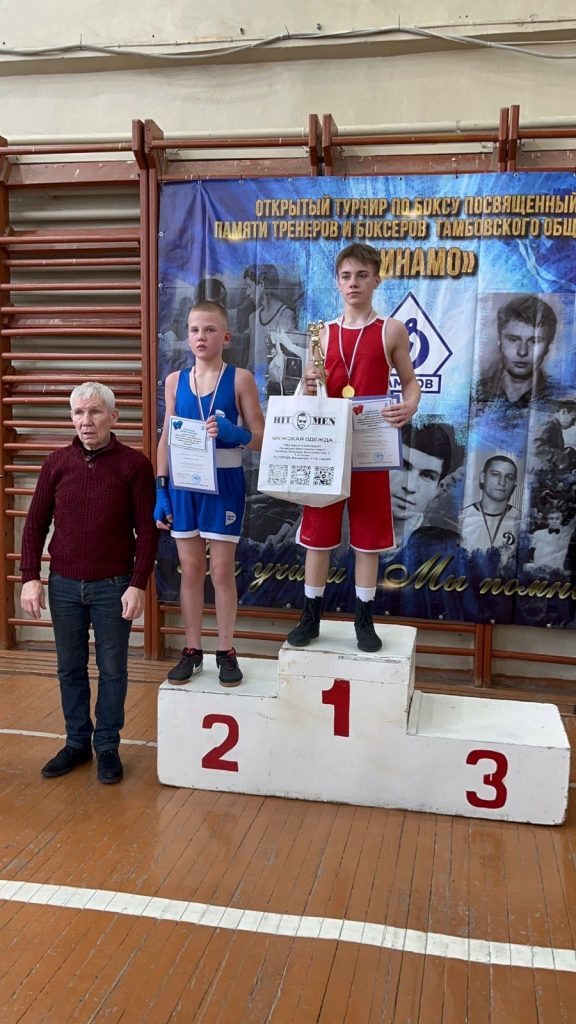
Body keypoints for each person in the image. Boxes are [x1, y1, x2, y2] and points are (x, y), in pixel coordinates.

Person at [20, 383, 157, 784]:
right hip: (63, 585)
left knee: (113, 670)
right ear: (71, 418)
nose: (86, 421)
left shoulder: (134, 466)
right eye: (78, 413)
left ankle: (108, 746)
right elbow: (34, 525)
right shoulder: (56, 464)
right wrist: (30, 578)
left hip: (114, 586)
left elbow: (148, 531)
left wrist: (138, 584)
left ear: (114, 417)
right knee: (69, 668)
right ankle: (77, 742)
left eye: (95, 412)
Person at [286, 242, 420, 652]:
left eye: (362, 275)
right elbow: (307, 392)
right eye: (346, 276)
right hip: (326, 448)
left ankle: (364, 620)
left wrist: (410, 405)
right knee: (317, 536)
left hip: (369, 448)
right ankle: (311, 617)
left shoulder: (391, 330)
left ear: (377, 279)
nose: (353, 283)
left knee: (368, 538)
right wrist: (308, 384)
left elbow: (410, 383)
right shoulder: (321, 333)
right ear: (337, 282)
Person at [155, 300, 264, 685]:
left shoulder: (240, 379)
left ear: (226, 337)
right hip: (184, 483)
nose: (201, 336)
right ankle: (192, 650)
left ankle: (226, 650)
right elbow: (166, 438)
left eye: (209, 330)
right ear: (188, 335)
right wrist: (161, 488)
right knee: (190, 570)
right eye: (194, 330)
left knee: (220, 571)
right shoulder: (174, 381)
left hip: (224, 482)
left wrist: (237, 434)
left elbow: (261, 436)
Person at [476, 295, 558, 408]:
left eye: (534, 341)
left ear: (549, 346)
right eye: (513, 340)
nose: (522, 352)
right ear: (499, 340)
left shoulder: (564, 398)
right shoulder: (471, 393)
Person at [391, 422, 463, 549]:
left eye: (427, 476)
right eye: (404, 466)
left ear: (438, 488)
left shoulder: (446, 545)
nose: (410, 487)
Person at [247, 264, 304, 397]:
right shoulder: (253, 318)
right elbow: (251, 358)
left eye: (249, 286)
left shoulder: (285, 315)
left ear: (261, 285)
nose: (247, 293)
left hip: (277, 391)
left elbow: (290, 359)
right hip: (254, 387)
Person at [459, 456, 521, 560]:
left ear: (514, 483)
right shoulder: (461, 517)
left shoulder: (522, 520)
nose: (502, 482)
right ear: (482, 478)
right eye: (495, 475)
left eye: (509, 477)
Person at [534, 402, 576, 470]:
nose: (574, 424)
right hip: (542, 471)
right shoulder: (549, 425)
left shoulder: (556, 427)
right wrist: (558, 456)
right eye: (573, 419)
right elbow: (536, 448)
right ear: (564, 411)